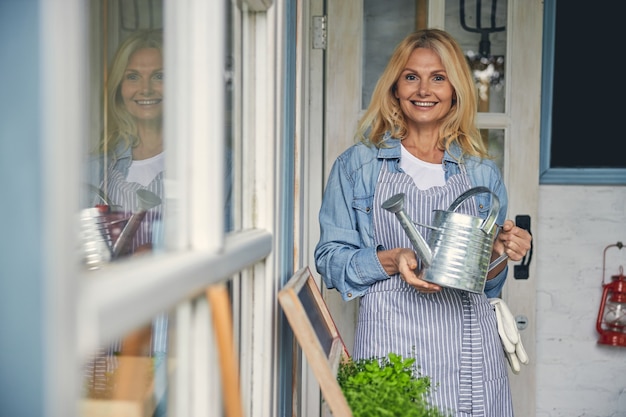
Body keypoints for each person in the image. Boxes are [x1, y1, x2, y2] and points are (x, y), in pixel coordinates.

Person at [314, 29, 532, 416]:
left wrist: (500, 252)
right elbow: (330, 260)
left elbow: (487, 284)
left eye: (438, 77)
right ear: (396, 87)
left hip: (468, 353)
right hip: (389, 346)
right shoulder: (357, 166)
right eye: (411, 76)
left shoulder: (481, 174)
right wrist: (391, 258)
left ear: (455, 90)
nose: (423, 89)